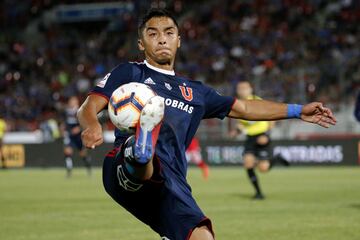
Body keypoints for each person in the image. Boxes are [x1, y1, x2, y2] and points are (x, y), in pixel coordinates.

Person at [77, 8, 336, 240]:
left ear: (178, 40)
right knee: (145, 158)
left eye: (168, 33)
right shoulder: (130, 73)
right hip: (122, 168)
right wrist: (92, 125)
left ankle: (144, 149)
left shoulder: (196, 92)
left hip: (172, 183)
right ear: (141, 44)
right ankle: (140, 149)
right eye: (153, 34)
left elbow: (244, 107)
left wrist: (298, 110)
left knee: (202, 236)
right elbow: (88, 108)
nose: (162, 39)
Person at [230, 81, 288, 199]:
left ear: (250, 90)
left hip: (262, 136)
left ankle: (276, 159)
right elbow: (243, 124)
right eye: (239, 89)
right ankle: (258, 193)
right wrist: (236, 131)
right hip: (250, 138)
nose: (242, 91)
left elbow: (272, 117)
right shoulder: (238, 104)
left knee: (263, 168)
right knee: (248, 163)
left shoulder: (257, 101)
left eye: (244, 88)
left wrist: (266, 134)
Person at [62, 96, 92, 177]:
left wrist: (78, 128)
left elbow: (85, 123)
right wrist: (63, 128)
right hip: (69, 135)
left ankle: (88, 167)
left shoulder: (80, 111)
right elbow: (63, 122)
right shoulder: (66, 111)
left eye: (74, 101)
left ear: (77, 102)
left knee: (82, 153)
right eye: (71, 101)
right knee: (67, 152)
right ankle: (69, 171)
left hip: (79, 136)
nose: (72, 102)